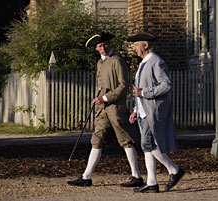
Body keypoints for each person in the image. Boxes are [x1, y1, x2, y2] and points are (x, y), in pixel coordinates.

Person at [67, 32, 143, 187]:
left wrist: (105, 98)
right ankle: (86, 176)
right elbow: (99, 86)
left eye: (105, 44)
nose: (103, 47)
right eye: (100, 46)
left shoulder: (117, 61)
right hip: (102, 109)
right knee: (97, 139)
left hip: (116, 109)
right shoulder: (99, 64)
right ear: (96, 48)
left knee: (125, 140)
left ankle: (137, 176)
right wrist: (98, 100)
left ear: (109, 44)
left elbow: (123, 86)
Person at [126, 32, 185, 193]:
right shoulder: (144, 62)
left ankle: (174, 170)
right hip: (144, 111)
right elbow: (139, 90)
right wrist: (136, 110)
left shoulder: (156, 61)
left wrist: (144, 93)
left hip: (153, 111)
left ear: (146, 45)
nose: (134, 48)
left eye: (136, 45)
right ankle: (152, 182)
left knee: (148, 144)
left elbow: (166, 86)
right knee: (147, 146)